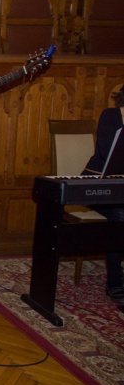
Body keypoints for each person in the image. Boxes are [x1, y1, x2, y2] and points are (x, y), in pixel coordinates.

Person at [81, 84, 124, 308]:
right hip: (98, 187)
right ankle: (115, 282)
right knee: (120, 213)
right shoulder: (110, 116)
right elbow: (108, 153)